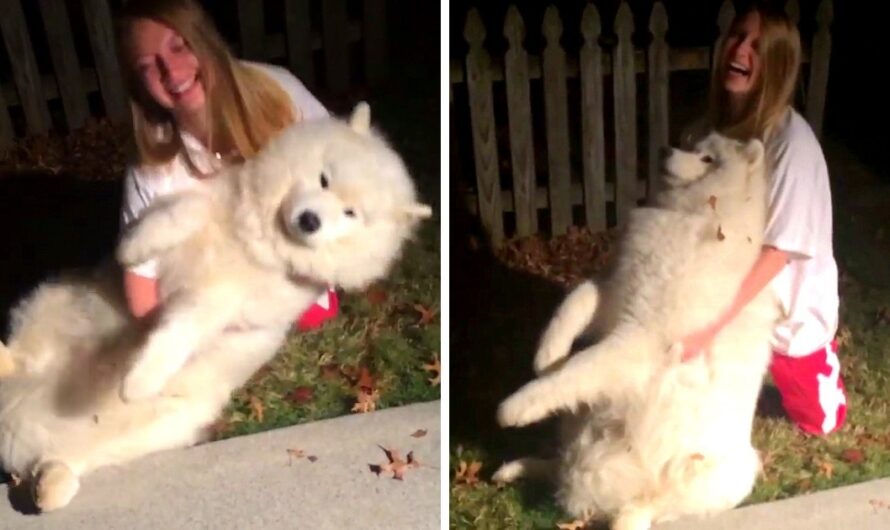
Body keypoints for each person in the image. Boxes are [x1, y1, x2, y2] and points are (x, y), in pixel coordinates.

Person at [115, 0, 338, 331]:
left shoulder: (277, 92)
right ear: (139, 86)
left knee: (310, 313)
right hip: (209, 289)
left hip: (294, 257)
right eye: (148, 65)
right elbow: (141, 281)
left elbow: (344, 171)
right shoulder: (152, 165)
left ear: (204, 40)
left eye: (179, 46)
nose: (171, 71)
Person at [676, 1, 846, 436]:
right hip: (725, 294)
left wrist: (710, 326)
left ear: (778, 65)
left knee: (817, 422)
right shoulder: (702, 134)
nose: (741, 49)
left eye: (757, 45)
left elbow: (777, 254)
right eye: (737, 36)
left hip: (786, 313)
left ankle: (820, 377)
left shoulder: (792, 145)